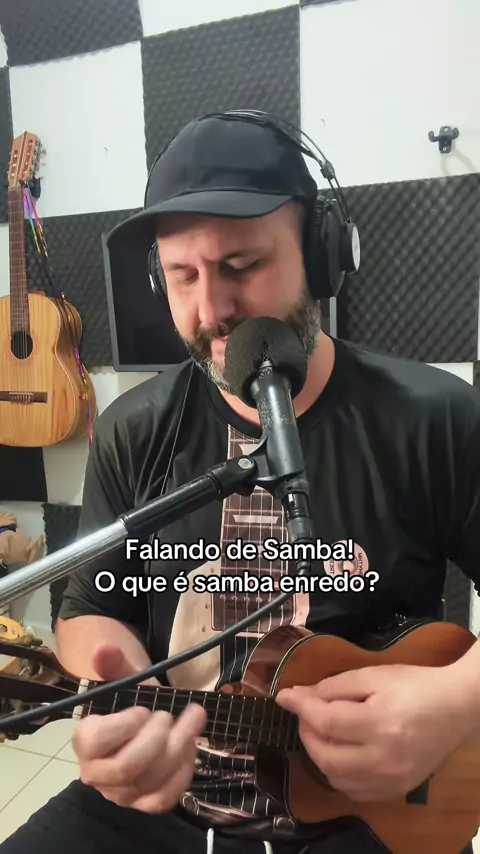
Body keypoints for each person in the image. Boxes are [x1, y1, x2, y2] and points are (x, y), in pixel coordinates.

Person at [2, 112, 480, 854]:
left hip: (366, 813)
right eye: (182, 276)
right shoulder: (134, 429)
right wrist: (124, 700)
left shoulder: (434, 416)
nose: (211, 311)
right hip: (165, 806)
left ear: (320, 256)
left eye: (241, 265)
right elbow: (91, 609)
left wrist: (456, 702)